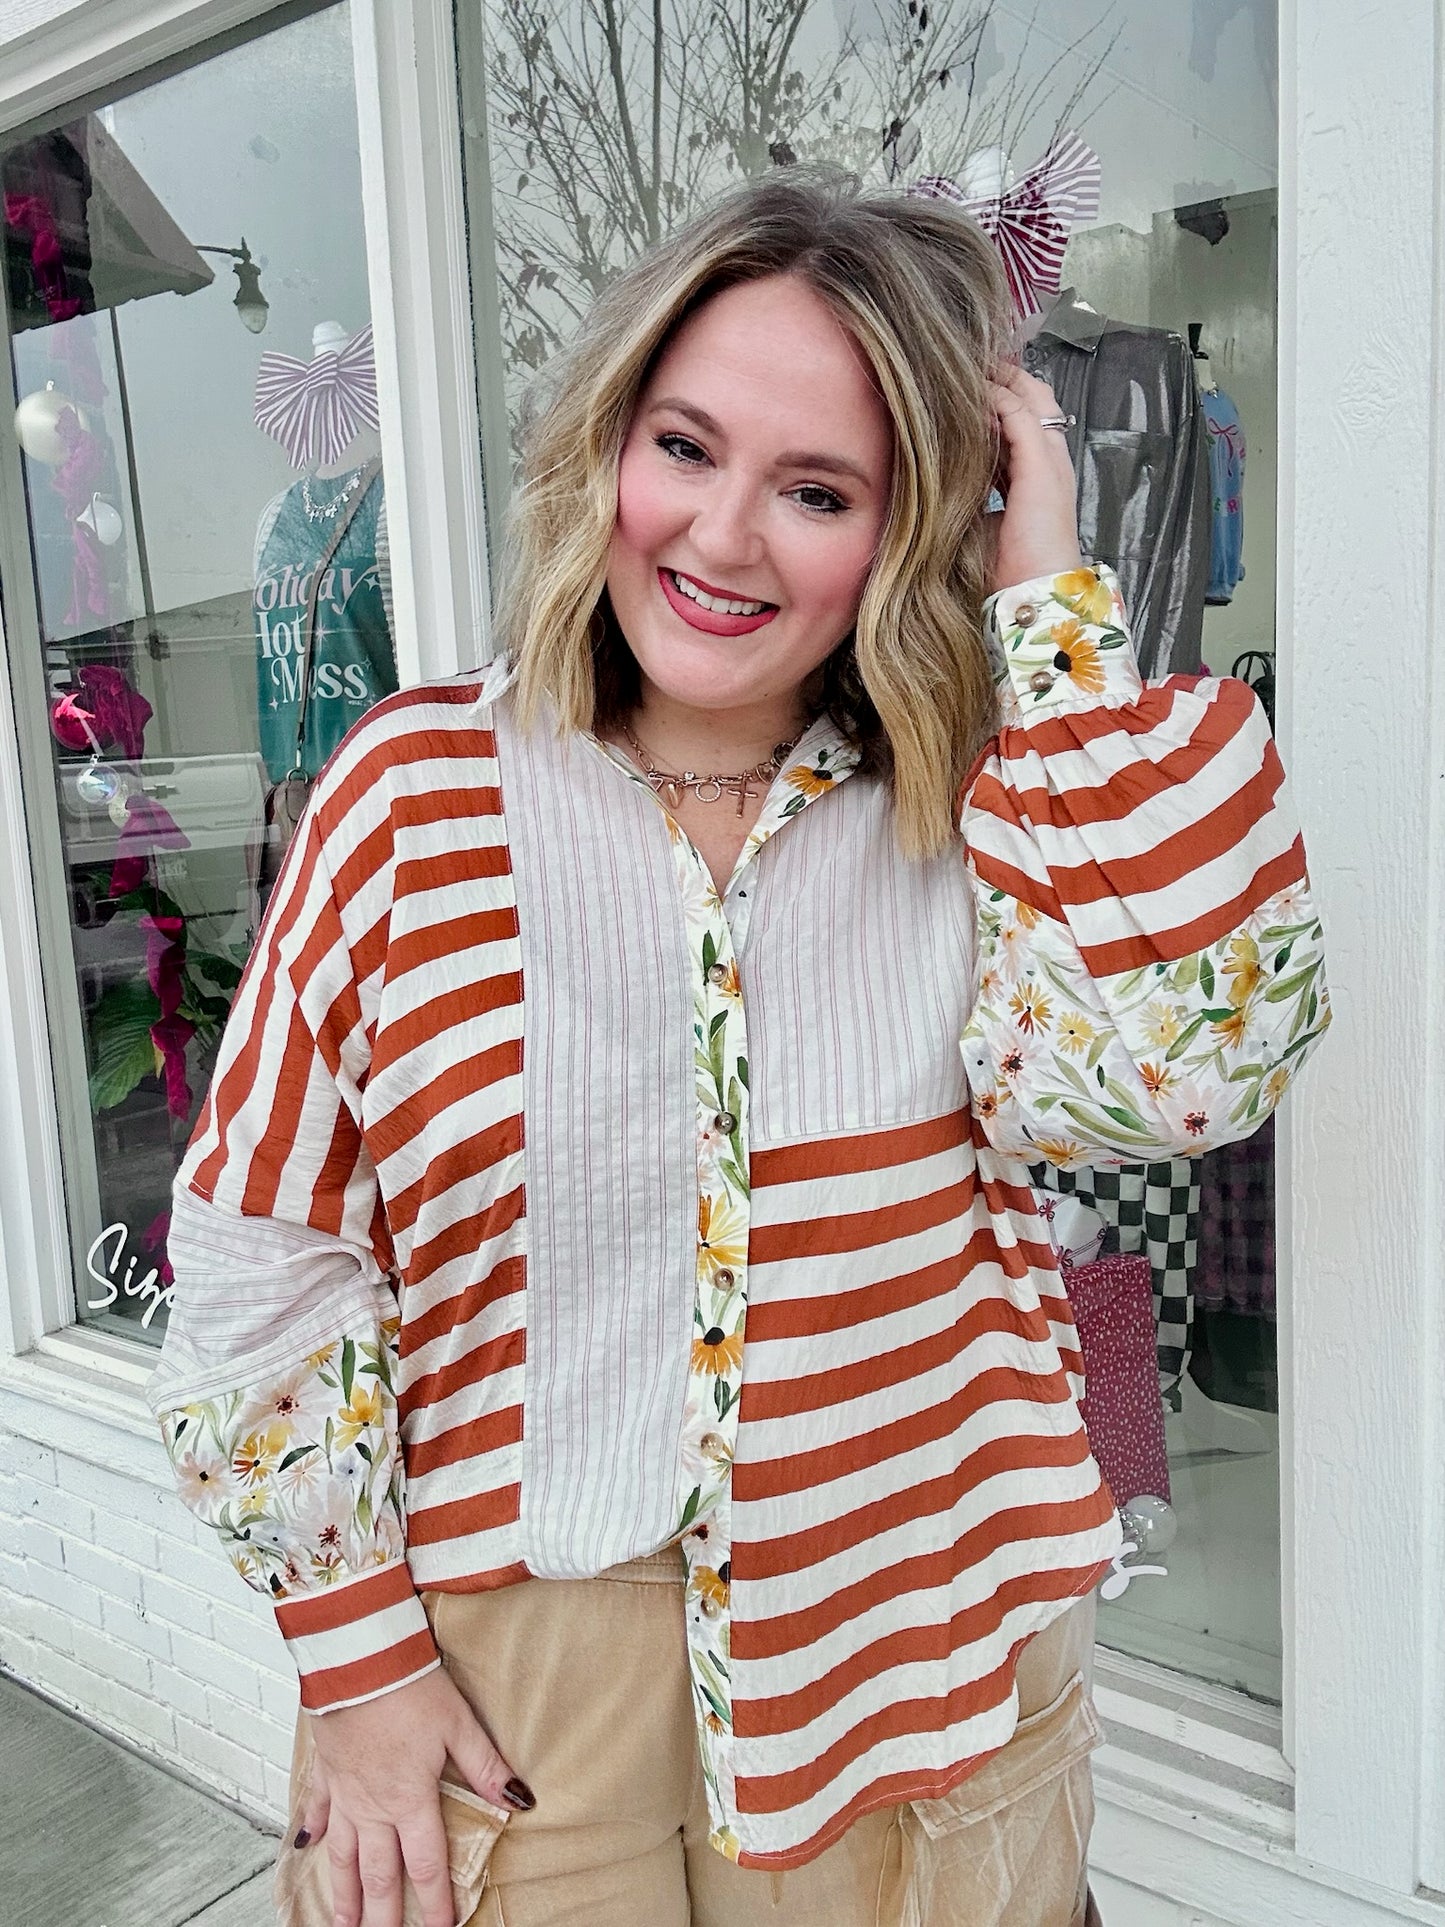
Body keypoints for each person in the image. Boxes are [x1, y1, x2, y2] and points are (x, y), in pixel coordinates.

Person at [149, 170, 1328, 1927]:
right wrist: (356, 1661)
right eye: (685, 447)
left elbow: (1190, 1062)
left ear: (910, 523)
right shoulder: (412, 796)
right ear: (609, 443)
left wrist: (1049, 602)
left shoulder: (985, 813)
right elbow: (262, 1256)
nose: (719, 538)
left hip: (924, 1626)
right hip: (515, 1672)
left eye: (817, 489)